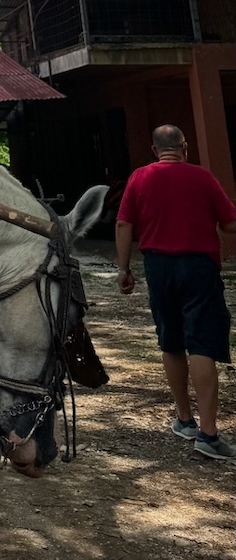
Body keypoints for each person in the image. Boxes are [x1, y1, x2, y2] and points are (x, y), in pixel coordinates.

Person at [116, 123, 236, 462]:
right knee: (201, 343)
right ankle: (209, 435)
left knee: (170, 340)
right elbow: (228, 223)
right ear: (185, 147)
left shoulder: (139, 178)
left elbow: (124, 223)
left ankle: (184, 419)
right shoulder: (203, 178)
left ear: (155, 150)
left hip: (158, 267)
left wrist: (124, 270)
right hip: (197, 268)